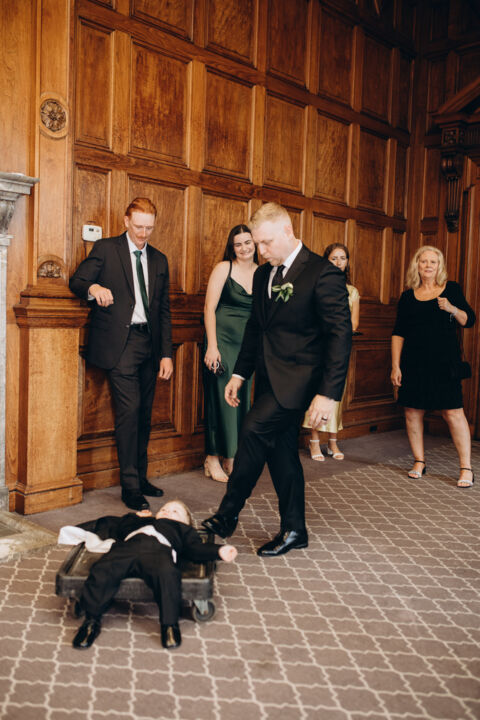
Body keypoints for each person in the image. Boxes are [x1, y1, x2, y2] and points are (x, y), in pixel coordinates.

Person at [202, 202, 352, 556]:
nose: (261, 250)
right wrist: (240, 374)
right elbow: (257, 328)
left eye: (266, 243)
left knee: (252, 430)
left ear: (288, 231)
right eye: (257, 243)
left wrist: (328, 394)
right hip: (269, 379)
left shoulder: (322, 273)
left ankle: (227, 515)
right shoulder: (263, 275)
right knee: (281, 453)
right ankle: (295, 529)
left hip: (300, 381)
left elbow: (340, 336)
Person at [69, 198, 173, 511]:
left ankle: (140, 477)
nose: (143, 233)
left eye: (149, 228)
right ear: (126, 221)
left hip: (150, 344)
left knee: (144, 415)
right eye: (138, 226)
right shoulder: (106, 249)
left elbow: (163, 311)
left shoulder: (159, 260)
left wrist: (166, 354)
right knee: (129, 413)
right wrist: (94, 289)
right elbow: (77, 281)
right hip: (121, 344)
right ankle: (130, 487)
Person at [69, 500, 237, 650]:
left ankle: (169, 625)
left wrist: (219, 551)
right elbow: (119, 527)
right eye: (164, 509)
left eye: (175, 512)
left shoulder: (183, 530)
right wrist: (135, 517)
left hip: (158, 551)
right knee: (103, 570)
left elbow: (196, 549)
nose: (167, 512)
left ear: (186, 522)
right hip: (126, 548)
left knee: (168, 575)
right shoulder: (143, 522)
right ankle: (91, 622)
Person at [391, 246, 476, 488]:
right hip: (414, 363)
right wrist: (395, 365)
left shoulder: (452, 289)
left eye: (433, 262)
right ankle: (419, 461)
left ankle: (466, 468)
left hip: (444, 363)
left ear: (440, 266)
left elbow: (469, 320)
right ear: (416, 265)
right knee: (412, 411)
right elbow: (398, 333)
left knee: (453, 413)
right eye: (424, 261)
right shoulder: (408, 297)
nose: (428, 266)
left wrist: (452, 308)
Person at [203, 225, 258, 482]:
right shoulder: (223, 268)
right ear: (232, 247)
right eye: (238, 244)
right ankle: (212, 458)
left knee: (242, 399)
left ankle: (232, 457)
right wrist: (212, 346)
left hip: (248, 346)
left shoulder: (262, 272)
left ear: (255, 243)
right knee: (220, 399)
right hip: (222, 343)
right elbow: (209, 308)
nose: (244, 248)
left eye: (248, 242)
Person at [304, 243, 360, 461]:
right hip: (318, 348)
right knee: (317, 392)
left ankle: (333, 441)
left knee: (337, 394)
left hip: (339, 349)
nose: (338, 262)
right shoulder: (317, 286)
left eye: (342, 258)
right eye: (334, 258)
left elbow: (353, 324)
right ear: (326, 261)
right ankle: (314, 441)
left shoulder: (352, 292)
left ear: (347, 262)